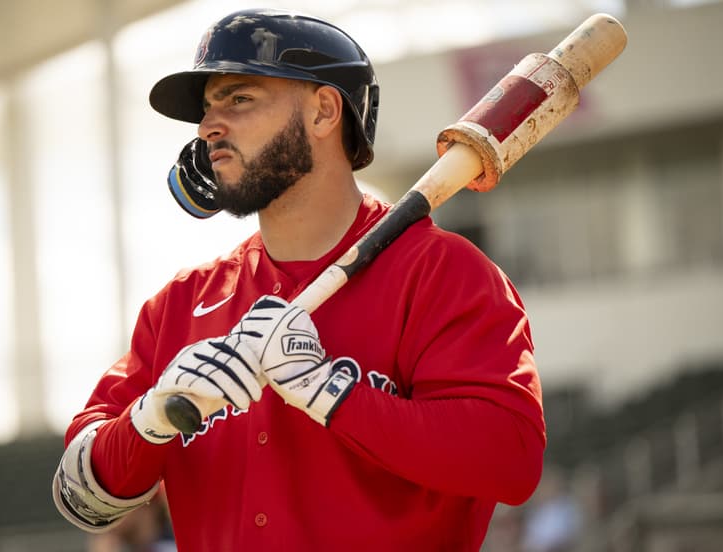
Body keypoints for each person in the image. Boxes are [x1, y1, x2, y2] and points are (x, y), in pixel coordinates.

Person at [52, 8, 545, 552]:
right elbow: (83, 495)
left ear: (324, 110)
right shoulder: (181, 304)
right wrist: (150, 419)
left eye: (239, 98)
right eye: (207, 108)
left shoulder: (442, 272)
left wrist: (327, 391)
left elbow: (511, 459)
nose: (209, 126)